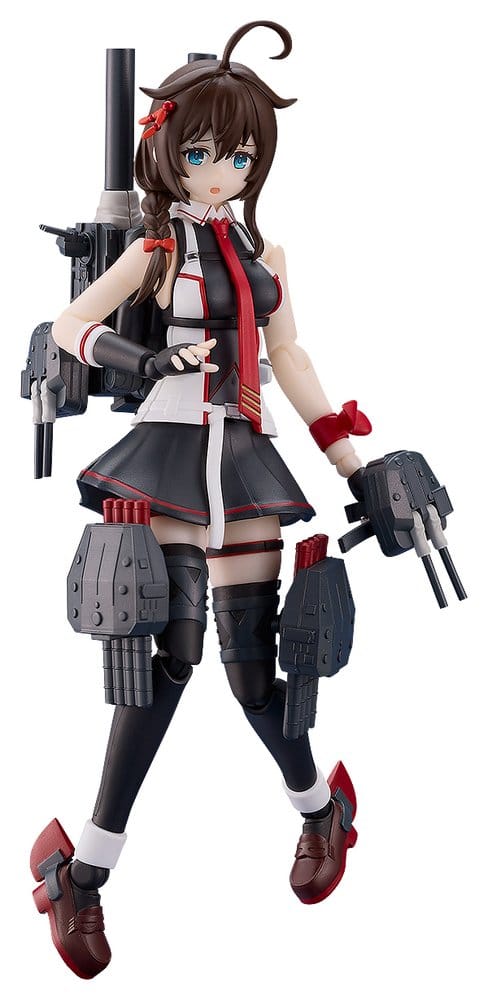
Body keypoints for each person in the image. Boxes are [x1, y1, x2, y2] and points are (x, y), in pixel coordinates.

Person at [30, 21, 370, 978]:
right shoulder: (152, 249)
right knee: (165, 666)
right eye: (202, 154)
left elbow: (290, 357)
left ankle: (322, 813)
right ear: (169, 152)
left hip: (248, 465)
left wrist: (357, 465)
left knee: (256, 673)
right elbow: (70, 325)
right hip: (171, 460)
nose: (220, 173)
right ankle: (83, 874)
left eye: (240, 157)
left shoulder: (266, 251)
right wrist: (149, 361)